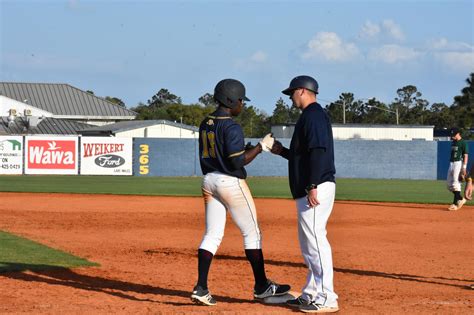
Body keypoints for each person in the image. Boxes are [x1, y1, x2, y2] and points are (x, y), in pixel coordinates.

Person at [191, 78, 290, 306]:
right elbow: (236, 163)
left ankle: (201, 287)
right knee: (252, 233)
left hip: (209, 181)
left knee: (212, 235)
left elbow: (225, 154)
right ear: (230, 100)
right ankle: (262, 286)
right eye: (240, 101)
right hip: (229, 183)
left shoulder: (206, 122)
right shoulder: (231, 125)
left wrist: (248, 150)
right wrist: (260, 148)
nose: (242, 105)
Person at [271, 75, 339, 313]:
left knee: (316, 241)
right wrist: (282, 152)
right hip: (311, 186)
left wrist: (312, 185)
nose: (290, 98)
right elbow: (305, 156)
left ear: (302, 91)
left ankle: (327, 296)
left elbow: (319, 152)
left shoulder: (314, 115)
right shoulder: (309, 117)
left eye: (291, 93)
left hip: (316, 187)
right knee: (309, 244)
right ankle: (310, 292)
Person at [446, 128, 469, 211]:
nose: (453, 136)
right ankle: (461, 198)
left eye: (454, 134)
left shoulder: (463, 143)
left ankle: (454, 204)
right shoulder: (453, 142)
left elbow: (465, 155)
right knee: (449, 185)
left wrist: (464, 167)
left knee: (456, 183)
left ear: (458, 133)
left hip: (458, 163)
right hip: (451, 163)